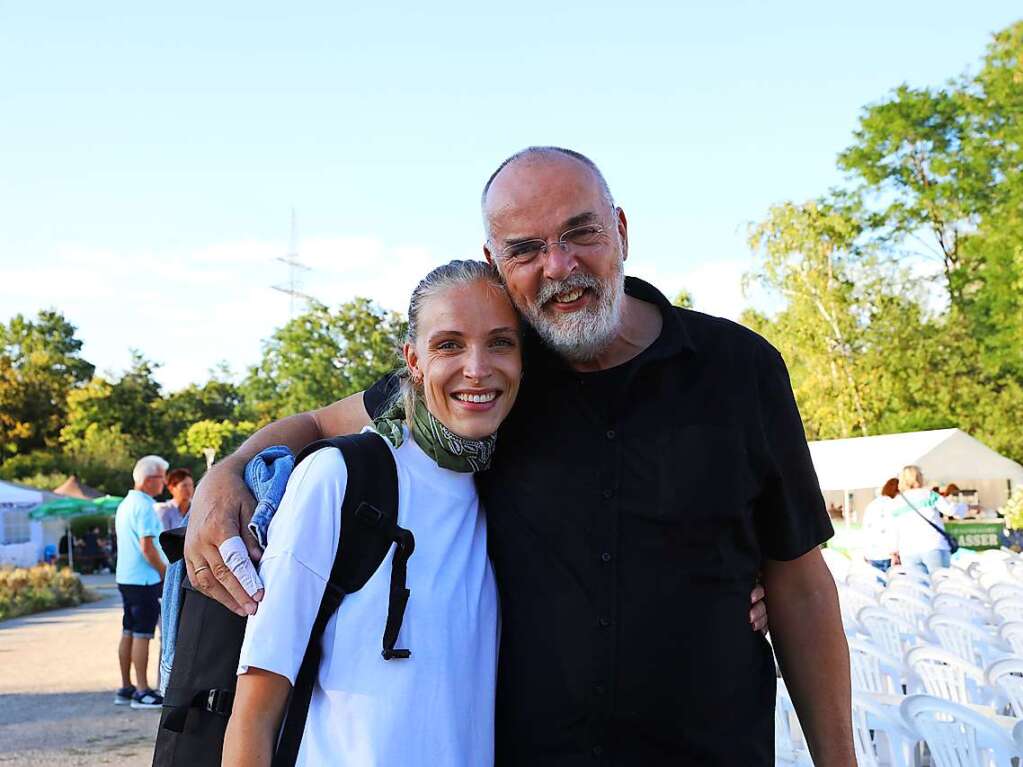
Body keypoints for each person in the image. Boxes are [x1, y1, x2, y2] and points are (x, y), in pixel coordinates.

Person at [188, 147, 852, 764]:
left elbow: (797, 579)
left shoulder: (737, 370)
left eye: (580, 233)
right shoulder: (489, 378)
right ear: (495, 260)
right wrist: (227, 474)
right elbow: (314, 421)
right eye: (525, 248)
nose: (557, 265)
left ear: (620, 229)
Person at [222, 260, 511, 765]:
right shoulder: (341, 476)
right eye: (448, 344)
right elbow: (254, 711)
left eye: (501, 342)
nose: (477, 367)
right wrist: (224, 476)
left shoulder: (503, 490)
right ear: (413, 361)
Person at [113, 454, 169, 710]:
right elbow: (148, 547)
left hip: (126, 577)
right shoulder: (145, 506)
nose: (164, 483)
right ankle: (143, 690)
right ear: (148, 480)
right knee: (143, 634)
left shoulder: (126, 504)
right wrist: (164, 573)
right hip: (144, 579)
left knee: (129, 630)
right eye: (161, 477)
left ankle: (127, 687)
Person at [891, 465, 957, 575]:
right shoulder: (929, 495)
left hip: (908, 550)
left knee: (917, 587)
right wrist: (965, 507)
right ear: (919, 478)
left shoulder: (896, 502)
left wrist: (894, 551)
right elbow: (950, 510)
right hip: (933, 546)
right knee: (940, 584)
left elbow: (894, 530)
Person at [862, 478, 899, 573]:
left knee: (879, 585)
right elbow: (892, 529)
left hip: (872, 553)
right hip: (888, 554)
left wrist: (865, 551)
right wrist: (895, 553)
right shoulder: (894, 504)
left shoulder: (871, 505)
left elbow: (865, 529)